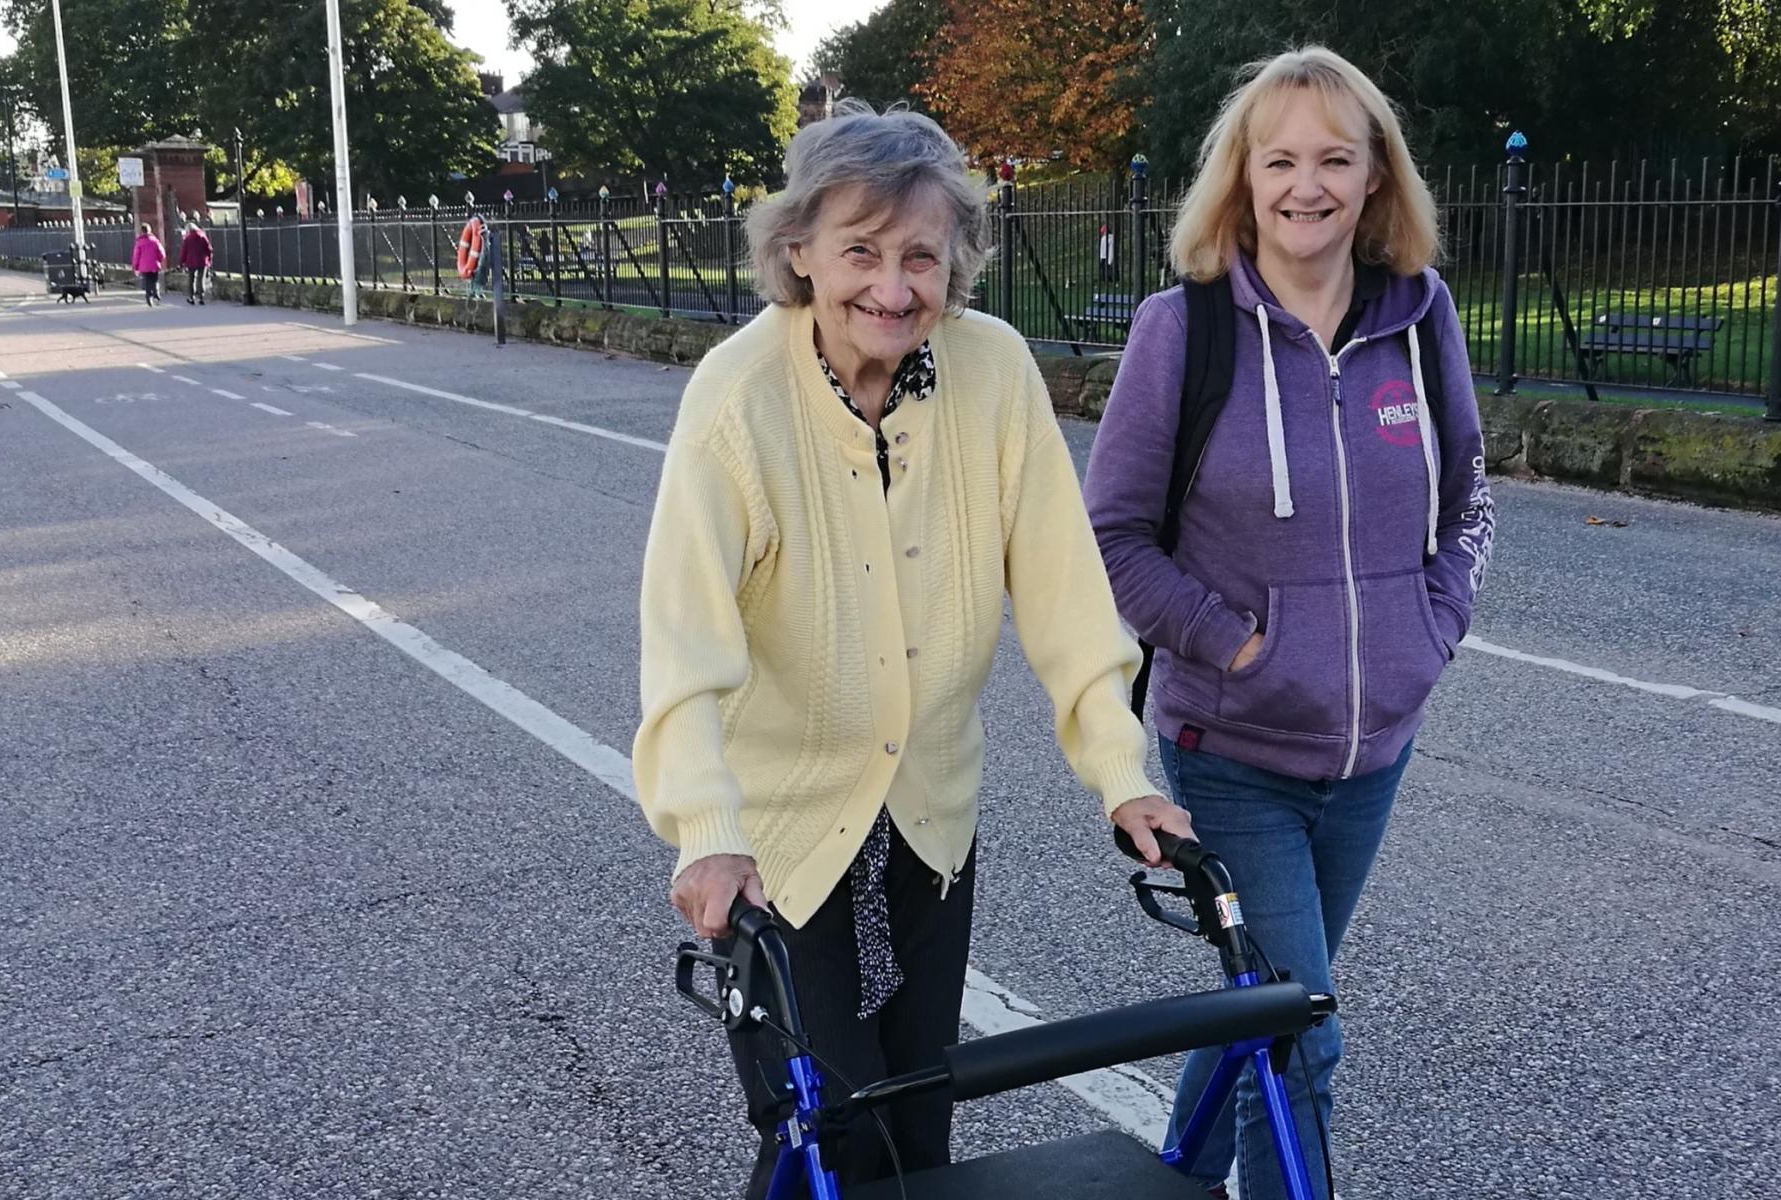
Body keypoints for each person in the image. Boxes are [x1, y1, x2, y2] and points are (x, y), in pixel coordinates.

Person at [633, 100, 1194, 1199]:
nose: (892, 288)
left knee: (921, 1124)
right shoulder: (737, 401)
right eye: (860, 252)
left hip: (930, 821)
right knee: (825, 1126)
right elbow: (683, 638)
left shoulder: (994, 374)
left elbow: (1066, 591)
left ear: (957, 266)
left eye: (921, 257)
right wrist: (706, 831)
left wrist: (1122, 776)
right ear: (797, 250)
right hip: (782, 843)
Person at [1082, 46, 1495, 1200]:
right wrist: (1236, 643)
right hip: (1235, 756)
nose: (1305, 184)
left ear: (1375, 180)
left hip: (1373, 754)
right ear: (1242, 180)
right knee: (1300, 1032)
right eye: (1280, 160)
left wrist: (1434, 624)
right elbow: (1110, 539)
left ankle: (1174, 1179)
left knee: (1255, 1006)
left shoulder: (1420, 322)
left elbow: (1469, 497)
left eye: (1334, 159)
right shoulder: (1186, 330)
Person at [179, 218, 214, 305]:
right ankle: (201, 297)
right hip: (202, 260)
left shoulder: (187, 239)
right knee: (201, 279)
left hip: (191, 261)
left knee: (191, 279)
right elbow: (209, 249)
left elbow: (184, 251)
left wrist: (181, 262)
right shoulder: (203, 236)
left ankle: (192, 297)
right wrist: (209, 258)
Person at [131, 224, 165, 307]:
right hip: (154, 264)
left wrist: (135, 267)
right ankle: (156, 294)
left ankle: (149, 297)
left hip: (144, 266)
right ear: (149, 231)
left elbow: (136, 256)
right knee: (155, 280)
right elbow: (162, 253)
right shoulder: (155, 241)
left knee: (147, 282)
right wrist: (159, 260)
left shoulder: (139, 242)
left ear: (141, 232)